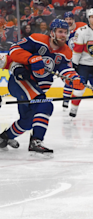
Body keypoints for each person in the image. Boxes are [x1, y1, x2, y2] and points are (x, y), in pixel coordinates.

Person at [0, 19, 85, 157]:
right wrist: (32, 59)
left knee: (27, 121)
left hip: (36, 89)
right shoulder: (37, 39)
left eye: (65, 32)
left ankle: (3, 138)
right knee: (45, 106)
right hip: (20, 82)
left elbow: (65, 70)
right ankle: (36, 141)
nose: (63, 35)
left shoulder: (66, 52)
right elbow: (14, 50)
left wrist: (74, 79)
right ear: (52, 33)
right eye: (60, 32)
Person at [61, 11, 87, 111]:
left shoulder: (82, 27)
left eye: (70, 19)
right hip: (68, 59)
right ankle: (65, 101)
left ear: (73, 19)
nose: (68, 21)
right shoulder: (62, 30)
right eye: (67, 19)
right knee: (69, 79)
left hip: (81, 59)